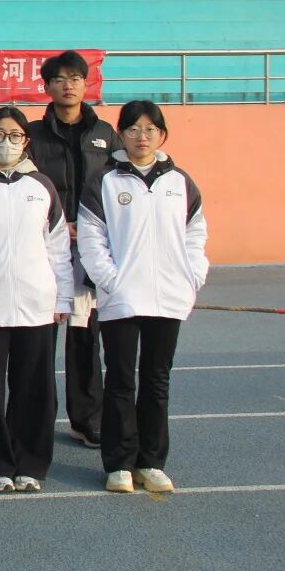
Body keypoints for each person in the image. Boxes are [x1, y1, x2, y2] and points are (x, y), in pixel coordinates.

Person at [78, 101, 207, 494]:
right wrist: (111, 281)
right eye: (133, 129)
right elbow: (91, 238)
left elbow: (195, 234)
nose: (142, 136)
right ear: (122, 135)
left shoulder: (180, 182)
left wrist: (192, 277)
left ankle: (151, 462)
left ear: (162, 135)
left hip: (168, 298)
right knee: (120, 380)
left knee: (156, 379)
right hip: (122, 298)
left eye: (150, 129)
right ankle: (119, 463)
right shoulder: (104, 180)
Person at [0, 107, 73, 493]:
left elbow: (58, 246)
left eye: (14, 135)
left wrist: (63, 296)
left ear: (26, 141)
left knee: (34, 388)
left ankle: (30, 462)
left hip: (36, 304)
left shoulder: (41, 187)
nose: (5, 142)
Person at [27, 51, 116, 450]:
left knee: (84, 336)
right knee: (39, 337)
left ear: (85, 83)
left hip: (91, 249)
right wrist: (60, 224)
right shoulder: (32, 134)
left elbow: (117, 187)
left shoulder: (106, 135)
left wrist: (93, 228)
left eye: (75, 78)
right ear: (47, 86)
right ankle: (34, 420)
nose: (68, 85)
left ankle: (87, 419)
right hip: (45, 247)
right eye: (60, 79)